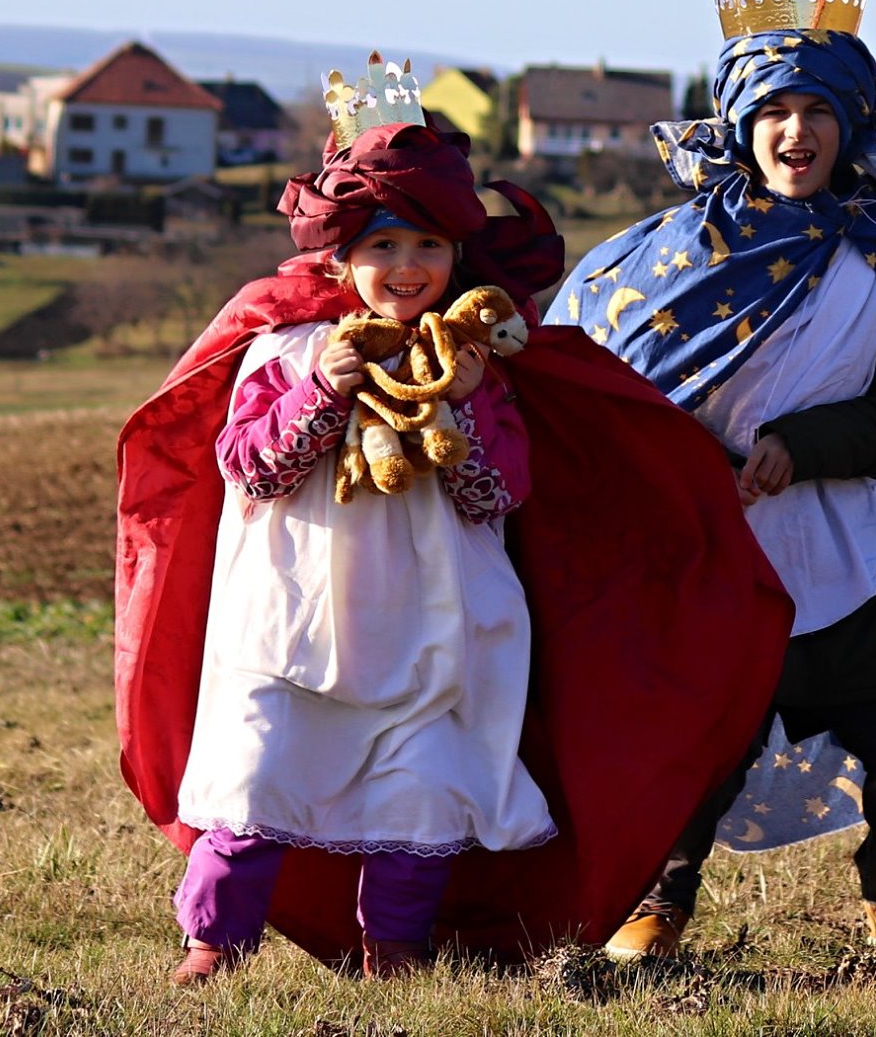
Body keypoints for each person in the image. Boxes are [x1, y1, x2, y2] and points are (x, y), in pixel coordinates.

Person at [115, 57, 789, 982]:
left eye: (428, 245)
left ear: (457, 256)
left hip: (434, 620)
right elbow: (249, 465)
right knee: (257, 771)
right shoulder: (287, 348)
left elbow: (499, 492)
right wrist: (320, 393)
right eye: (383, 246)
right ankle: (213, 941)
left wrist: (467, 408)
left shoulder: (478, 366)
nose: (406, 267)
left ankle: (395, 945)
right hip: (292, 617)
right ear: (339, 255)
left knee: (422, 788)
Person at [550, 0, 876, 956]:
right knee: (698, 742)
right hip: (705, 552)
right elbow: (597, 393)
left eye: (816, 110)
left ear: (852, 122)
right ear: (738, 122)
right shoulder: (666, 256)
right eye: (772, 109)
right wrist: (692, 466)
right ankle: (655, 903)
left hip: (850, 547)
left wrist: (803, 447)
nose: (794, 131)